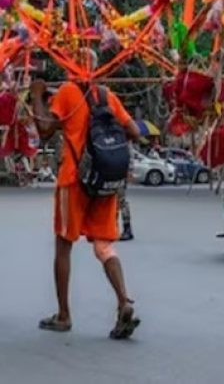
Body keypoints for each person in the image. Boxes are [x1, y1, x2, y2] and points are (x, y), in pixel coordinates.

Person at [29, 77, 141, 339]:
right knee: (104, 246)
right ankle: (124, 301)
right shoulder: (106, 95)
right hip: (104, 180)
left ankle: (64, 315)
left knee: (63, 246)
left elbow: (45, 128)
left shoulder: (68, 92)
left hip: (75, 180)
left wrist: (36, 95)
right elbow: (134, 131)